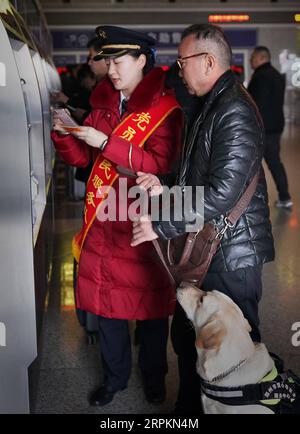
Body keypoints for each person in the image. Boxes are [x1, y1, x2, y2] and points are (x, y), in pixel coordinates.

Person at [131, 24, 275, 414]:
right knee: (191, 339)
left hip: (231, 255)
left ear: (208, 61)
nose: (179, 70)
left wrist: (161, 226)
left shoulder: (234, 109)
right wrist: (162, 184)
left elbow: (223, 193)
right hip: (211, 248)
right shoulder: (211, 103)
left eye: (182, 62)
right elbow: (197, 178)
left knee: (237, 354)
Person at [52, 25, 183, 407]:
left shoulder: (165, 110)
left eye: (119, 60)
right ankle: (114, 379)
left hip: (141, 224)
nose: (111, 68)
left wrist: (108, 143)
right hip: (102, 225)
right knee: (108, 310)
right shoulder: (104, 105)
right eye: (107, 60)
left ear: (142, 60)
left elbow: (163, 164)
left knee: (151, 313)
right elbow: (82, 160)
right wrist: (65, 134)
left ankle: (155, 378)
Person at [248, 46, 293, 209]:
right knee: (275, 162)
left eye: (253, 57)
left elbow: (252, 104)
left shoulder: (259, 76)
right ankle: (285, 197)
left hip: (261, 129)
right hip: (276, 127)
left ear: (261, 58)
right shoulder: (277, 75)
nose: (250, 60)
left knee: (251, 165)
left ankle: (251, 202)